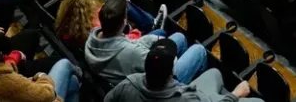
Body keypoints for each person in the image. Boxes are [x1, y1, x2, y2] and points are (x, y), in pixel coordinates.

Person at [85, 0, 207, 86]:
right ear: (124, 21)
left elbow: (131, 45)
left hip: (127, 70)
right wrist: (169, 54)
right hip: (159, 86)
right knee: (199, 50)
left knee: (179, 37)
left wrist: (151, 40)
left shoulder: (92, 38)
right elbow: (164, 66)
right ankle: (183, 90)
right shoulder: (132, 53)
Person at [105, 41, 262, 102]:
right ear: (172, 70)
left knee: (214, 74)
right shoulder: (186, 99)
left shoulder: (128, 83)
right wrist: (235, 94)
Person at [0, 28, 80, 102]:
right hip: (45, 95)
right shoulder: (9, 82)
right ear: (1, 55)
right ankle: (81, 71)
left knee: (73, 82)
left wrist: (13, 60)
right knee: (64, 64)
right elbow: (47, 95)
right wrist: (41, 76)